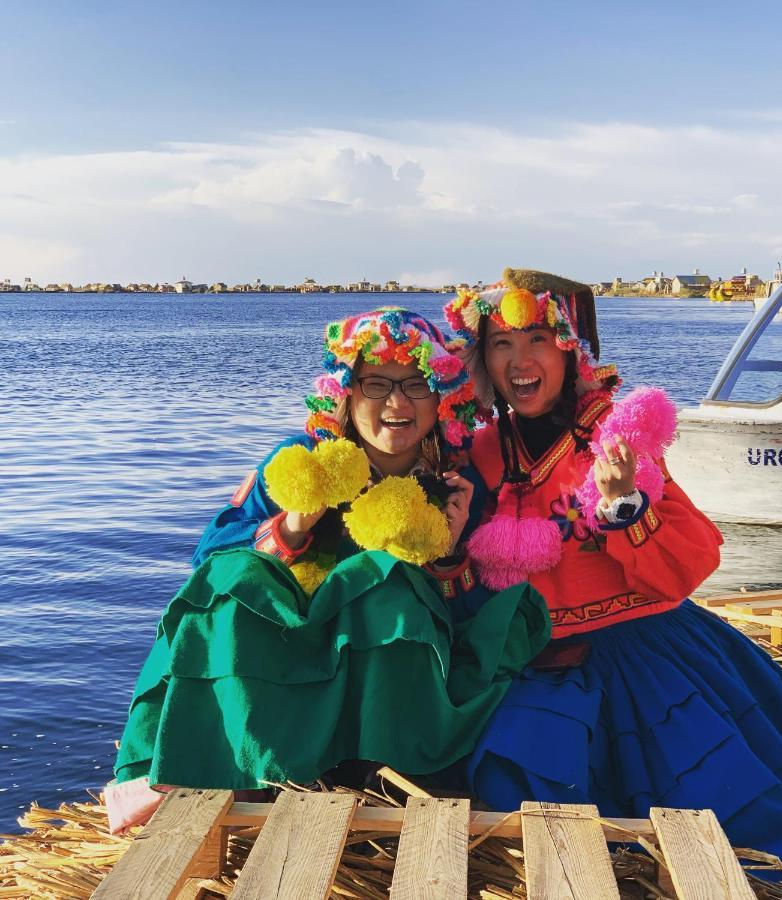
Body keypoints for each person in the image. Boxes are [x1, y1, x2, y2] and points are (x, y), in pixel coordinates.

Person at [443, 269, 782, 870]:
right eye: (501, 343)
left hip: (638, 647)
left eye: (538, 338)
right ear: (482, 361)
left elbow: (689, 562)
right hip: (526, 654)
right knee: (516, 780)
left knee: (715, 803)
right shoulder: (480, 451)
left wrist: (625, 506)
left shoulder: (616, 439)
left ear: (570, 350)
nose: (520, 360)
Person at [110, 307, 550, 826]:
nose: (396, 403)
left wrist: (449, 559)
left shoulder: (455, 484)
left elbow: (467, 613)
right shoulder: (301, 459)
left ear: (440, 398)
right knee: (235, 578)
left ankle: (377, 774)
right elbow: (208, 561)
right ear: (346, 391)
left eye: (416, 384)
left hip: (391, 686)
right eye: (377, 384)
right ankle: (237, 760)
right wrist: (292, 526)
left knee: (389, 581)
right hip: (291, 654)